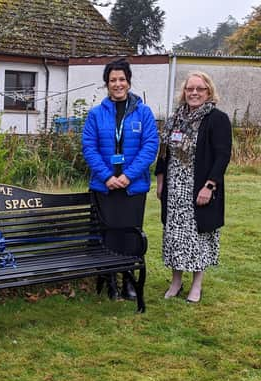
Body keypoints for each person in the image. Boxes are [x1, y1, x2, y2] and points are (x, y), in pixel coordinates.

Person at [81, 58, 159, 300]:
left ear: (129, 81)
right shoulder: (96, 114)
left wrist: (127, 176)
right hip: (105, 188)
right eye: (113, 80)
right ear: (107, 84)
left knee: (129, 235)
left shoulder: (143, 112)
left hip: (132, 187)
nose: (118, 84)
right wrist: (107, 176)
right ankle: (110, 281)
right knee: (108, 235)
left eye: (122, 79)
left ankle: (128, 281)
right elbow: (89, 147)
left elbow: (150, 146)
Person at [156, 71, 232, 304]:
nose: (194, 93)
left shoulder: (216, 119)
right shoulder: (175, 119)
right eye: (190, 88)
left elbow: (222, 156)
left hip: (199, 187)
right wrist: (160, 182)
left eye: (200, 89)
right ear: (184, 91)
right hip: (174, 189)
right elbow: (164, 152)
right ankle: (176, 281)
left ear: (208, 92)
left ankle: (196, 284)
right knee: (175, 236)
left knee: (198, 236)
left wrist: (209, 186)